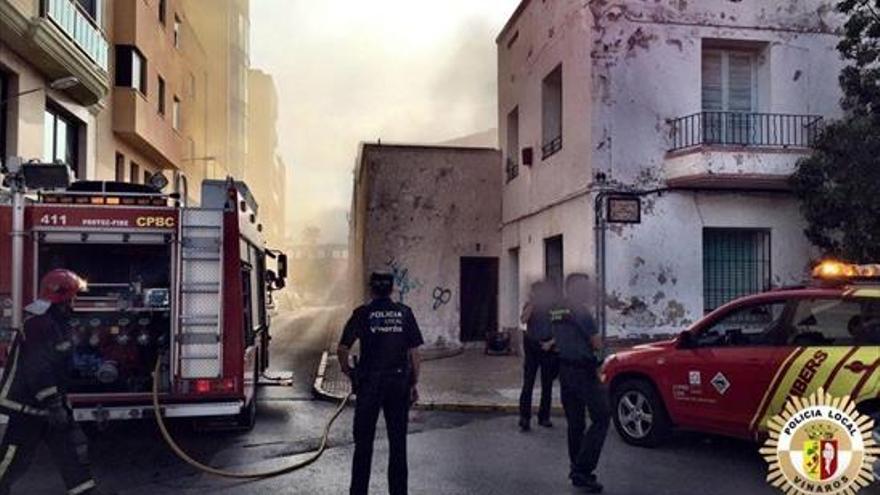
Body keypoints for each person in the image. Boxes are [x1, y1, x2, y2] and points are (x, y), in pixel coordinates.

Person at [0, 269, 108, 495]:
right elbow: (38, 369)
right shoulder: (38, 324)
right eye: (73, 297)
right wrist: (53, 404)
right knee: (13, 459)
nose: (75, 302)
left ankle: (85, 492)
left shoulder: (57, 322)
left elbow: (59, 361)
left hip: (50, 406)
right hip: (26, 408)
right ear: (63, 298)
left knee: (71, 453)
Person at [338, 272, 424, 495]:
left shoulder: (362, 313)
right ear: (392, 289)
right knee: (398, 445)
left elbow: (342, 349)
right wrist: (413, 383)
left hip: (369, 384)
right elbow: (414, 353)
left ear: (371, 289)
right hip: (398, 384)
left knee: (363, 445)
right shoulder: (405, 313)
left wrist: (349, 373)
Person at [548, 273, 610, 493]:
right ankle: (583, 470)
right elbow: (595, 343)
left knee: (575, 423)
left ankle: (576, 469)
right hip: (584, 372)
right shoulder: (582, 311)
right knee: (602, 418)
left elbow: (556, 338)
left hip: (565, 371)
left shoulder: (557, 310)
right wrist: (602, 355)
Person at [518, 280, 559, 431]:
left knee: (547, 384)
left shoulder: (554, 307)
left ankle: (544, 417)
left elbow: (560, 328)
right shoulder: (530, 305)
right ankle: (524, 418)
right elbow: (523, 320)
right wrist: (532, 304)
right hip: (531, 347)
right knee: (528, 383)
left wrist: (551, 343)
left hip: (548, 347)